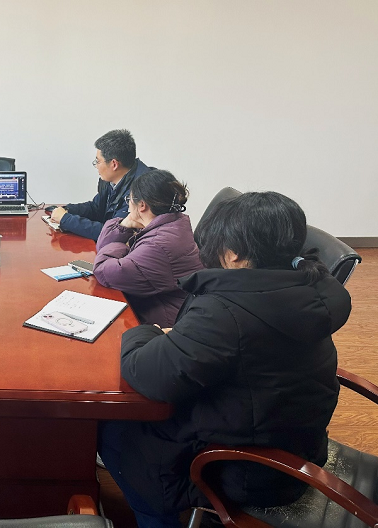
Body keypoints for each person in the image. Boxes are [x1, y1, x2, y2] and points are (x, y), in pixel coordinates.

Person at [97, 191, 351, 527]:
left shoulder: (227, 312)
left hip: (244, 470)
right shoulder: (309, 290)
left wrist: (142, 332)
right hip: (296, 444)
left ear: (233, 254)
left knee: (114, 430)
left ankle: (157, 519)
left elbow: (148, 375)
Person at [93, 170, 203, 327]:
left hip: (163, 322)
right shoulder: (172, 224)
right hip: (159, 305)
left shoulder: (158, 245)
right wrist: (124, 226)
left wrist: (122, 246)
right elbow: (102, 249)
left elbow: (103, 271)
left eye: (129, 199)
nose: (128, 204)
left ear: (142, 205)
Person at [49, 129, 152, 241]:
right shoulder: (113, 180)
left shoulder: (142, 190)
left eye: (98, 161)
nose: (96, 166)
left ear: (114, 164)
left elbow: (115, 233)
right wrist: (67, 210)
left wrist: (66, 219)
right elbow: (96, 207)